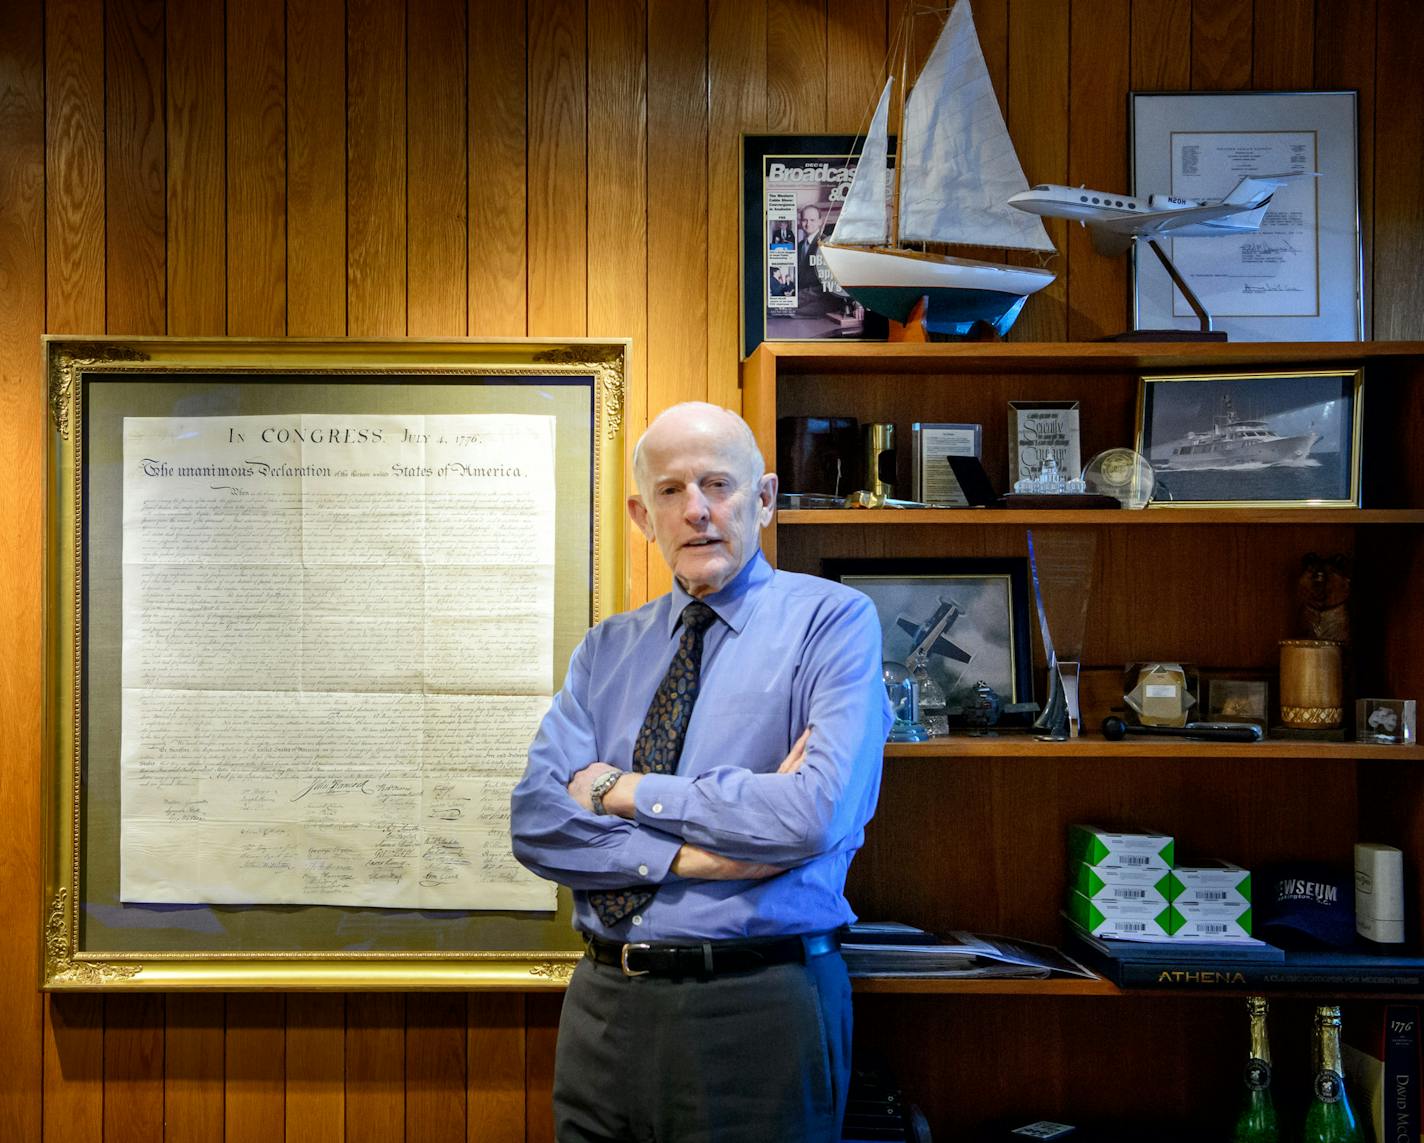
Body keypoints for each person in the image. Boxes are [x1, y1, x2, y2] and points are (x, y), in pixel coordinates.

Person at [510, 402, 892, 1143]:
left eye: (718, 485)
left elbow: (812, 813)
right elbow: (536, 820)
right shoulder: (604, 650)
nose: (697, 511)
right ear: (641, 514)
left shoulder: (835, 624)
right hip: (600, 1005)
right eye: (671, 491)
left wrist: (619, 790)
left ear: (766, 498)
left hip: (757, 1004)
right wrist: (696, 858)